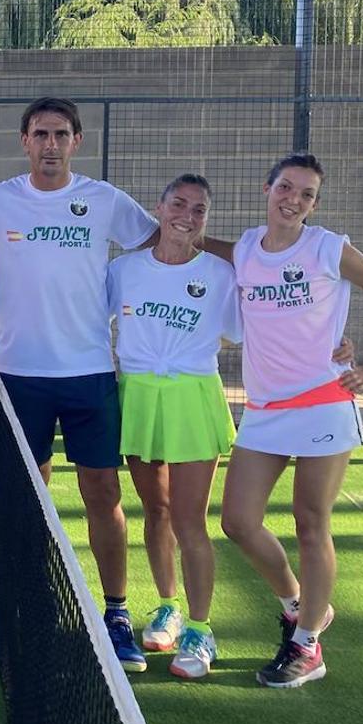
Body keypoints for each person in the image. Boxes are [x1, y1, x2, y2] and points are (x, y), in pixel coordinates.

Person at [0, 97, 157, 670]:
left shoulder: (106, 202)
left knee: (103, 494)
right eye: (39, 134)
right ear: (23, 141)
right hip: (16, 376)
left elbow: (166, 248)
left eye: (60, 134)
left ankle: (117, 611)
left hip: (90, 376)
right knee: (28, 498)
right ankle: (32, 600)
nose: (50, 144)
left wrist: (251, 260)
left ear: (76, 141)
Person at [220, 153, 363, 688]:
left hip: (324, 403)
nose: (294, 199)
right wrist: (176, 232)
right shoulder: (244, 250)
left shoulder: (329, 248)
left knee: (311, 522)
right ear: (267, 188)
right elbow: (204, 252)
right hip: (264, 410)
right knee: (237, 521)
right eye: (286, 187)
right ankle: (297, 604)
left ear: (314, 205)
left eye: (306, 194)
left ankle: (307, 646)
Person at [106, 175, 239, 678]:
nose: (187, 215)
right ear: (158, 209)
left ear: (207, 219)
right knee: (155, 510)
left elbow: (244, 331)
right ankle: (167, 604)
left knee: (189, 520)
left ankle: (200, 630)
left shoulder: (221, 274)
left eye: (199, 209)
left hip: (192, 397)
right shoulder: (123, 270)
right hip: (137, 395)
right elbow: (91, 319)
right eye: (179, 204)